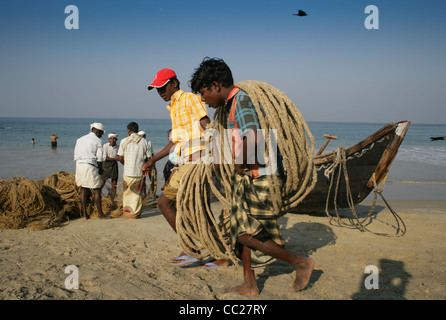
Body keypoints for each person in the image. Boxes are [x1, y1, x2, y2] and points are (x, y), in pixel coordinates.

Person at [189, 57, 314, 295]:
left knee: (247, 233)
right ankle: (249, 283)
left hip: (259, 175)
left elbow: (253, 136)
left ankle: (300, 262)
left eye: (203, 93)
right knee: (239, 229)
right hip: (247, 175)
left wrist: (239, 165)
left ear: (216, 85)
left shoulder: (241, 100)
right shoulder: (229, 106)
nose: (203, 99)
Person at [141, 68, 214, 265]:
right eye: (156, 89)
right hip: (184, 161)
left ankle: (193, 249)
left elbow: (205, 122)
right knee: (183, 206)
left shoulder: (190, 99)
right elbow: (175, 142)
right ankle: (196, 248)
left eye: (162, 87)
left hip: (196, 161)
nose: (160, 92)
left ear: (174, 83)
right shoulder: (174, 107)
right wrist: (152, 160)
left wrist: (218, 149)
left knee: (167, 203)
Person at [74, 122, 110, 220]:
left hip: (79, 165)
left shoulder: (80, 139)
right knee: (97, 189)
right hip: (90, 165)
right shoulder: (97, 141)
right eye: (101, 133)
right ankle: (100, 214)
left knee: (83, 189)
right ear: (97, 131)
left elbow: (76, 154)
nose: (102, 135)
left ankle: (85, 215)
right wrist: (101, 170)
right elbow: (99, 159)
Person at [117, 122, 152, 219]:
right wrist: (147, 168)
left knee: (127, 192)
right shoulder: (144, 141)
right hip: (139, 171)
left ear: (128, 131)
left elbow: (120, 158)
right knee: (137, 193)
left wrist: (126, 164)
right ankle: (136, 213)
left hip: (127, 172)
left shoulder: (124, 140)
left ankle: (127, 212)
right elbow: (150, 159)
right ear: (137, 130)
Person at [100, 133, 120, 200]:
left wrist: (113, 158)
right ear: (109, 139)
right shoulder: (105, 146)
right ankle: (97, 198)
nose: (112, 140)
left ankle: (112, 200)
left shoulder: (118, 147)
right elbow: (104, 158)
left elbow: (120, 158)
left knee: (114, 184)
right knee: (102, 182)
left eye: (114, 139)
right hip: (105, 165)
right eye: (111, 138)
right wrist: (115, 158)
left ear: (116, 139)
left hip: (114, 165)